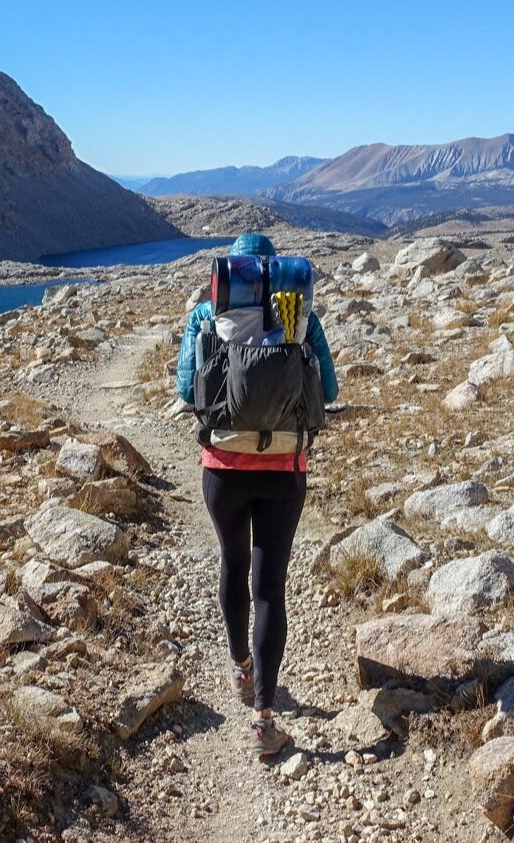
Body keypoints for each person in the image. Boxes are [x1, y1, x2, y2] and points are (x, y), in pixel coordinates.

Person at [175, 232, 339, 757]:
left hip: (223, 466)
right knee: (271, 587)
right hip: (284, 469)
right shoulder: (301, 315)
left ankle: (240, 670)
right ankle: (265, 722)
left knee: (231, 564)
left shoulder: (207, 314)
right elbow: (330, 392)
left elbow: (185, 390)